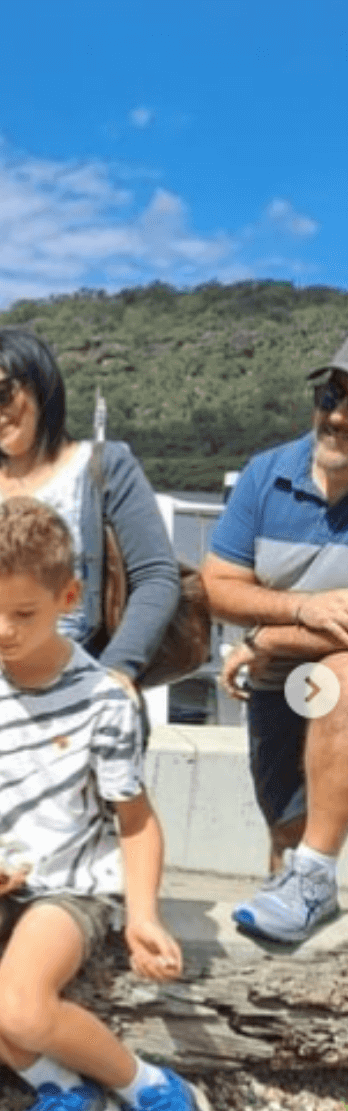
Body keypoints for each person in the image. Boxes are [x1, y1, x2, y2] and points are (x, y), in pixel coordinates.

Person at [0, 498, 236, 1111]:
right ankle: (62, 1090)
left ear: (68, 597)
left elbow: (136, 820)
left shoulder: (104, 701)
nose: (1, 629)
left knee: (21, 1006)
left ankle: (153, 1090)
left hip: (70, 884)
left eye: (23, 614)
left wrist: (144, 914)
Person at [0, 328, 180, 682]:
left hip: (65, 698)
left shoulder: (104, 470)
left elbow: (155, 577)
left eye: (1, 394)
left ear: (40, 383)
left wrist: (118, 671)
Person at [203, 334, 348, 945]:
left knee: (338, 677)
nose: (337, 414)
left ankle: (314, 878)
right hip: (273, 683)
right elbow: (218, 586)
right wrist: (299, 613)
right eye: (331, 393)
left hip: (323, 681)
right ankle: (299, 883)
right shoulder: (267, 475)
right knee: (285, 835)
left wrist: (265, 639)